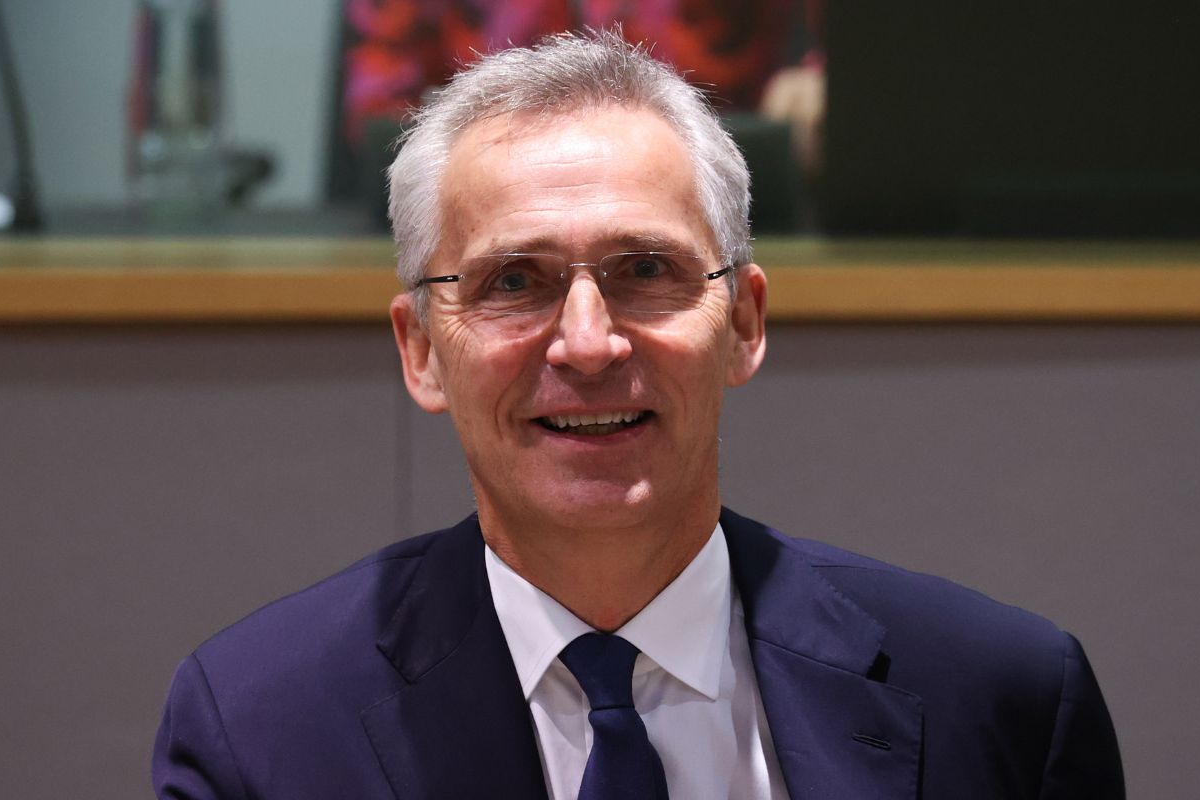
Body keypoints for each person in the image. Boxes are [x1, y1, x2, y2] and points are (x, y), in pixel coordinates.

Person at [153, 30, 1124, 799]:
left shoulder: (1000, 700)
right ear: (421, 350)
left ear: (743, 323)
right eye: (514, 280)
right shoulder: (260, 731)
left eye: (646, 269)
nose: (588, 343)